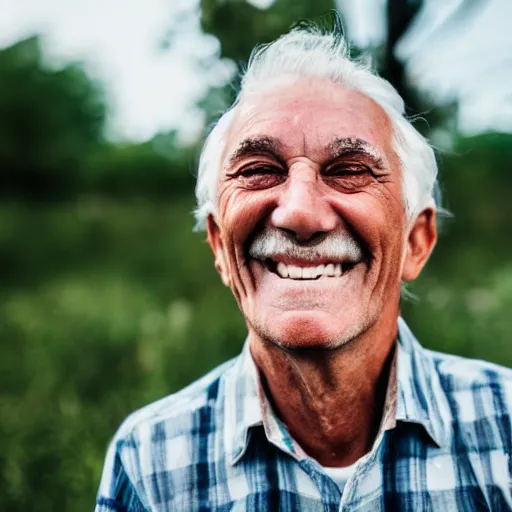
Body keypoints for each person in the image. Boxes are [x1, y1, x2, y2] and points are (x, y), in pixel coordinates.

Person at [95, 23, 512, 511]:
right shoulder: (150, 462)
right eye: (258, 171)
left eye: (351, 170)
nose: (299, 213)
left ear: (416, 242)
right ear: (218, 244)